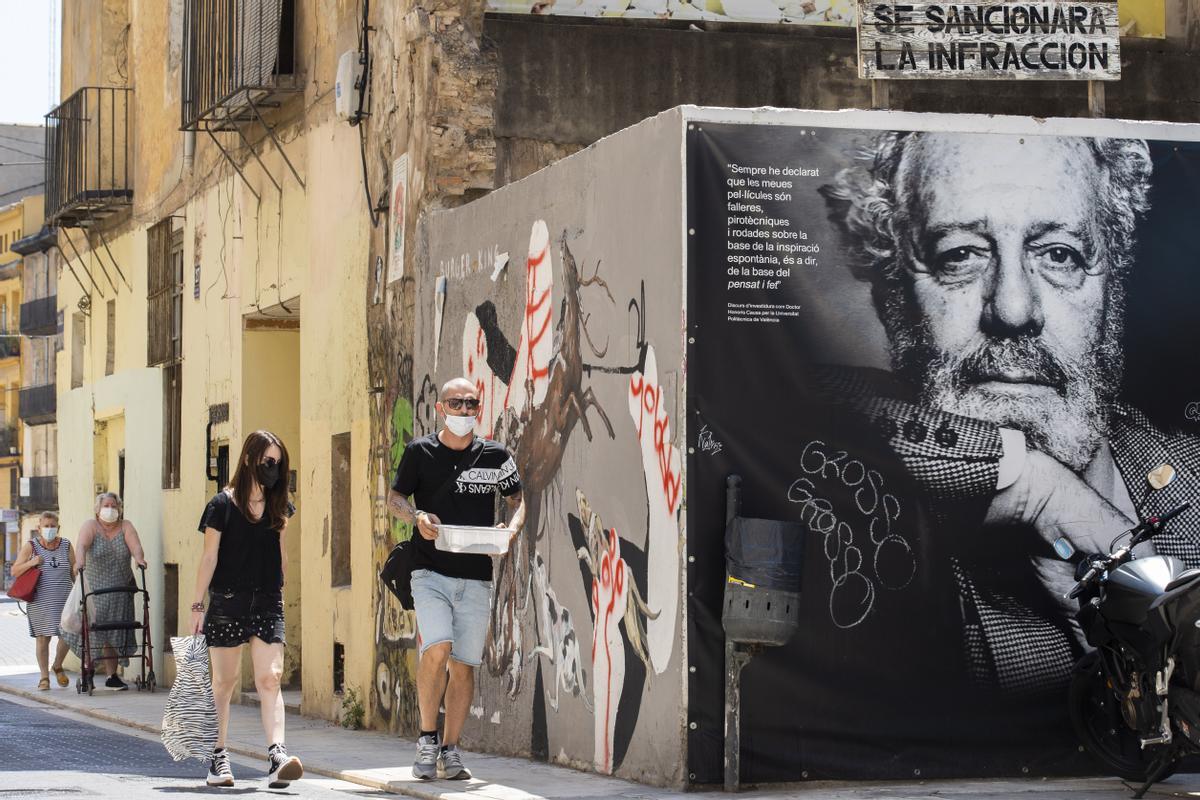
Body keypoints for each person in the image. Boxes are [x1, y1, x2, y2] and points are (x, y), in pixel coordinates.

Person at [820, 131, 1198, 690]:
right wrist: (1034, 485)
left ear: (1112, 286)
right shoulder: (870, 502)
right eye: (961, 255)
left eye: (1059, 254)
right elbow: (785, 389)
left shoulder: (1191, 482)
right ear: (892, 292)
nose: (1013, 308)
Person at [387, 377, 525, 781]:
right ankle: (426, 740)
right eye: (457, 404)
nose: (465, 411)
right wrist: (417, 517)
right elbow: (395, 498)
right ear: (440, 408)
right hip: (429, 570)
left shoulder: (496, 455)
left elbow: (518, 499)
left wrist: (511, 530)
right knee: (437, 647)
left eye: (472, 404)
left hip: (476, 577)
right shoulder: (419, 453)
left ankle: (451, 749)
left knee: (464, 665)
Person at [190, 430, 302, 789]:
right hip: (227, 602)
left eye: (279, 463)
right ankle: (218, 758)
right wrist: (197, 604)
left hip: (267, 601)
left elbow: (281, 553)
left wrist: (281, 589)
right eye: (268, 461)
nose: (273, 469)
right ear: (250, 460)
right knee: (224, 683)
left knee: (270, 678)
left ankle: (277, 755)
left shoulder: (279, 505)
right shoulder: (221, 505)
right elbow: (209, 557)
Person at [63, 493, 145, 690]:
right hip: (95, 589)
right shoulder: (91, 526)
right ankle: (88, 668)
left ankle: (111, 676)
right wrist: (79, 562)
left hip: (120, 590)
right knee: (93, 630)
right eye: (106, 505)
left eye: (114, 505)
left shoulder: (125, 526)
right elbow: (82, 545)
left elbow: (135, 545)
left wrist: (140, 559)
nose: (111, 508)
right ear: (98, 509)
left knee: (115, 630)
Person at [12, 512, 74, 690]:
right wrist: (32, 563)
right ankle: (44, 677)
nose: (49, 529)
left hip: (64, 598)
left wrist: (81, 592)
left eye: (52, 525)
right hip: (40, 600)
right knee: (42, 638)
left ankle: (57, 665)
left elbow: (74, 571)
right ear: (39, 528)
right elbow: (15, 571)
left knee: (68, 634)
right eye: (46, 526)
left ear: (58, 527)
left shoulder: (66, 545)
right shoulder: (31, 546)